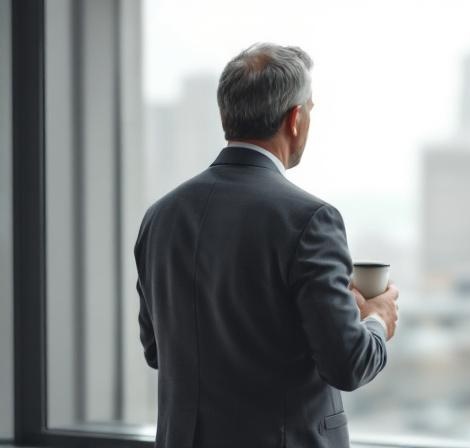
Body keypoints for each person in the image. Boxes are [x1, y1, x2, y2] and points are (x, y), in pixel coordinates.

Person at [134, 43, 399, 448]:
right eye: (310, 108)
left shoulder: (160, 217)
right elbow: (348, 364)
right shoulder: (310, 220)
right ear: (295, 119)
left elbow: (157, 351)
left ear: (227, 114)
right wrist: (377, 320)